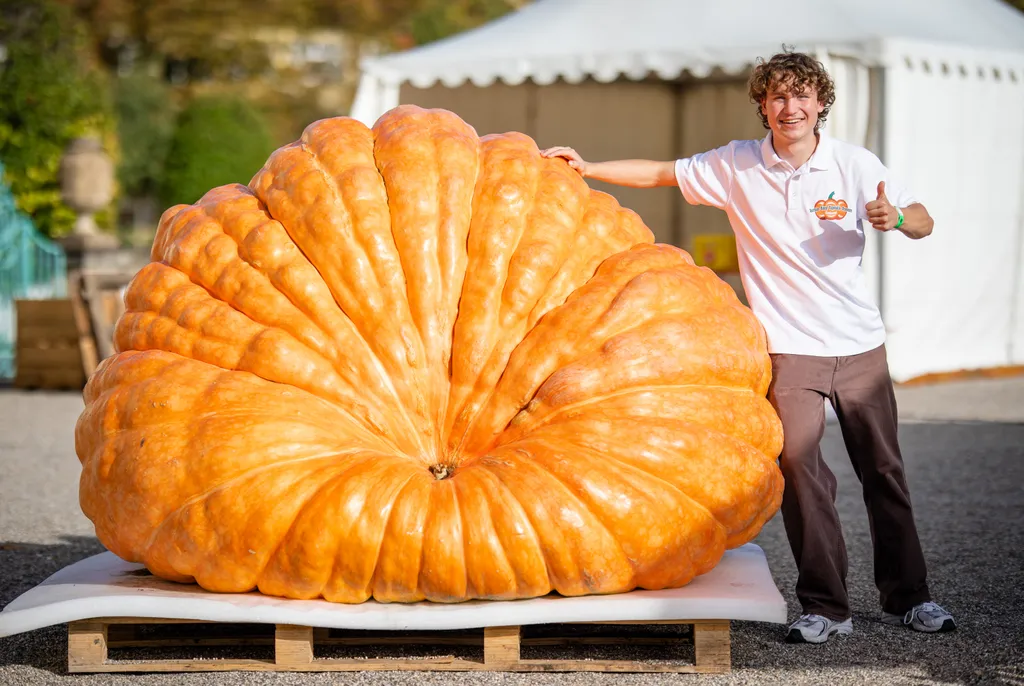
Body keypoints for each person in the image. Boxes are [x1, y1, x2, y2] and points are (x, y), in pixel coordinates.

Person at [541, 49, 956, 644]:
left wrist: (895, 218)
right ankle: (827, 608)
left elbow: (924, 220)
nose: (792, 107)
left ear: (820, 104)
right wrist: (587, 165)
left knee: (882, 470)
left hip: (860, 346)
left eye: (803, 96)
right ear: (763, 106)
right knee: (801, 471)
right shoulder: (737, 166)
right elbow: (662, 172)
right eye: (779, 97)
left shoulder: (854, 164)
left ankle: (910, 598)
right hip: (788, 350)